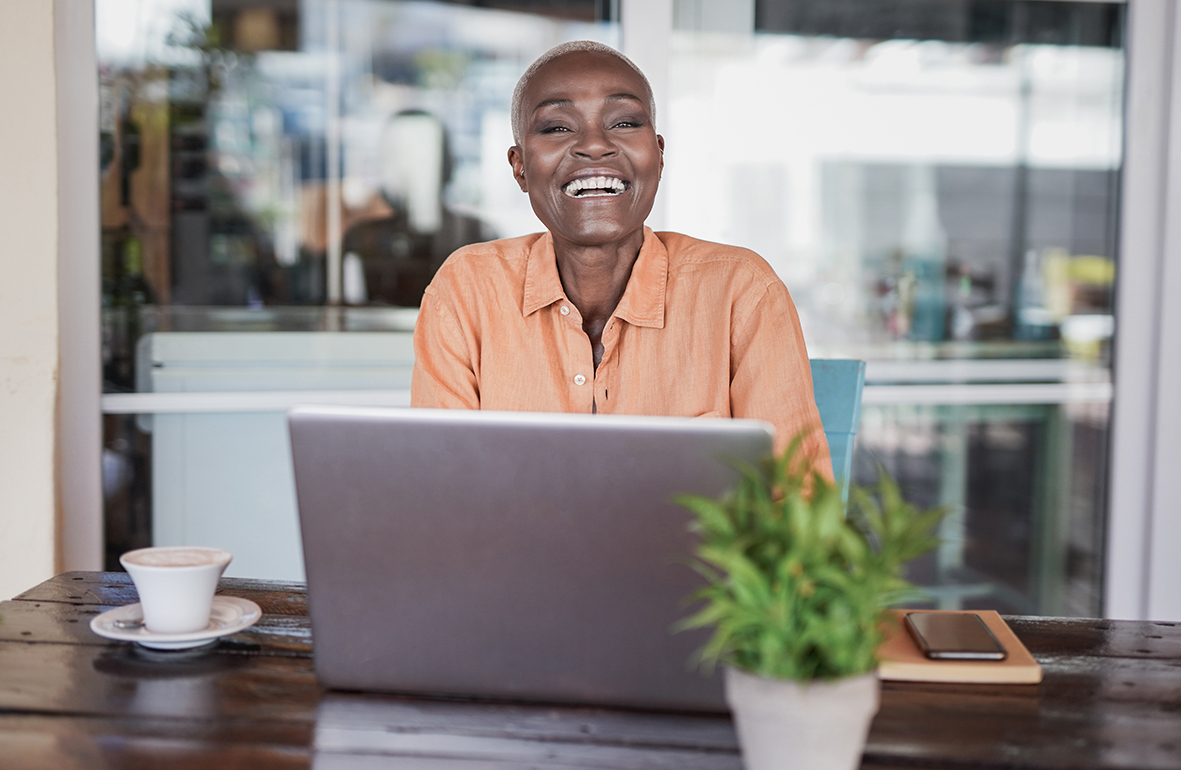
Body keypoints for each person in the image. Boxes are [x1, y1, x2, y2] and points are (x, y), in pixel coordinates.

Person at [411, 40, 831, 473]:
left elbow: (797, 497)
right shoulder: (467, 290)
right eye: (557, 128)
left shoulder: (740, 292)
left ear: (659, 155)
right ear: (519, 167)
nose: (594, 145)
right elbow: (440, 487)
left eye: (625, 122)